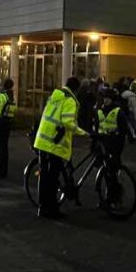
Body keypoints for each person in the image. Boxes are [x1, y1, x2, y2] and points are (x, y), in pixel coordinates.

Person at [33, 77, 87, 219]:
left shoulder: (55, 95)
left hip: (42, 140)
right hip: (54, 144)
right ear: (77, 89)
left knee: (44, 176)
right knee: (52, 178)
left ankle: (42, 207)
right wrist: (83, 132)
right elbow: (68, 122)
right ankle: (52, 210)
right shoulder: (70, 100)